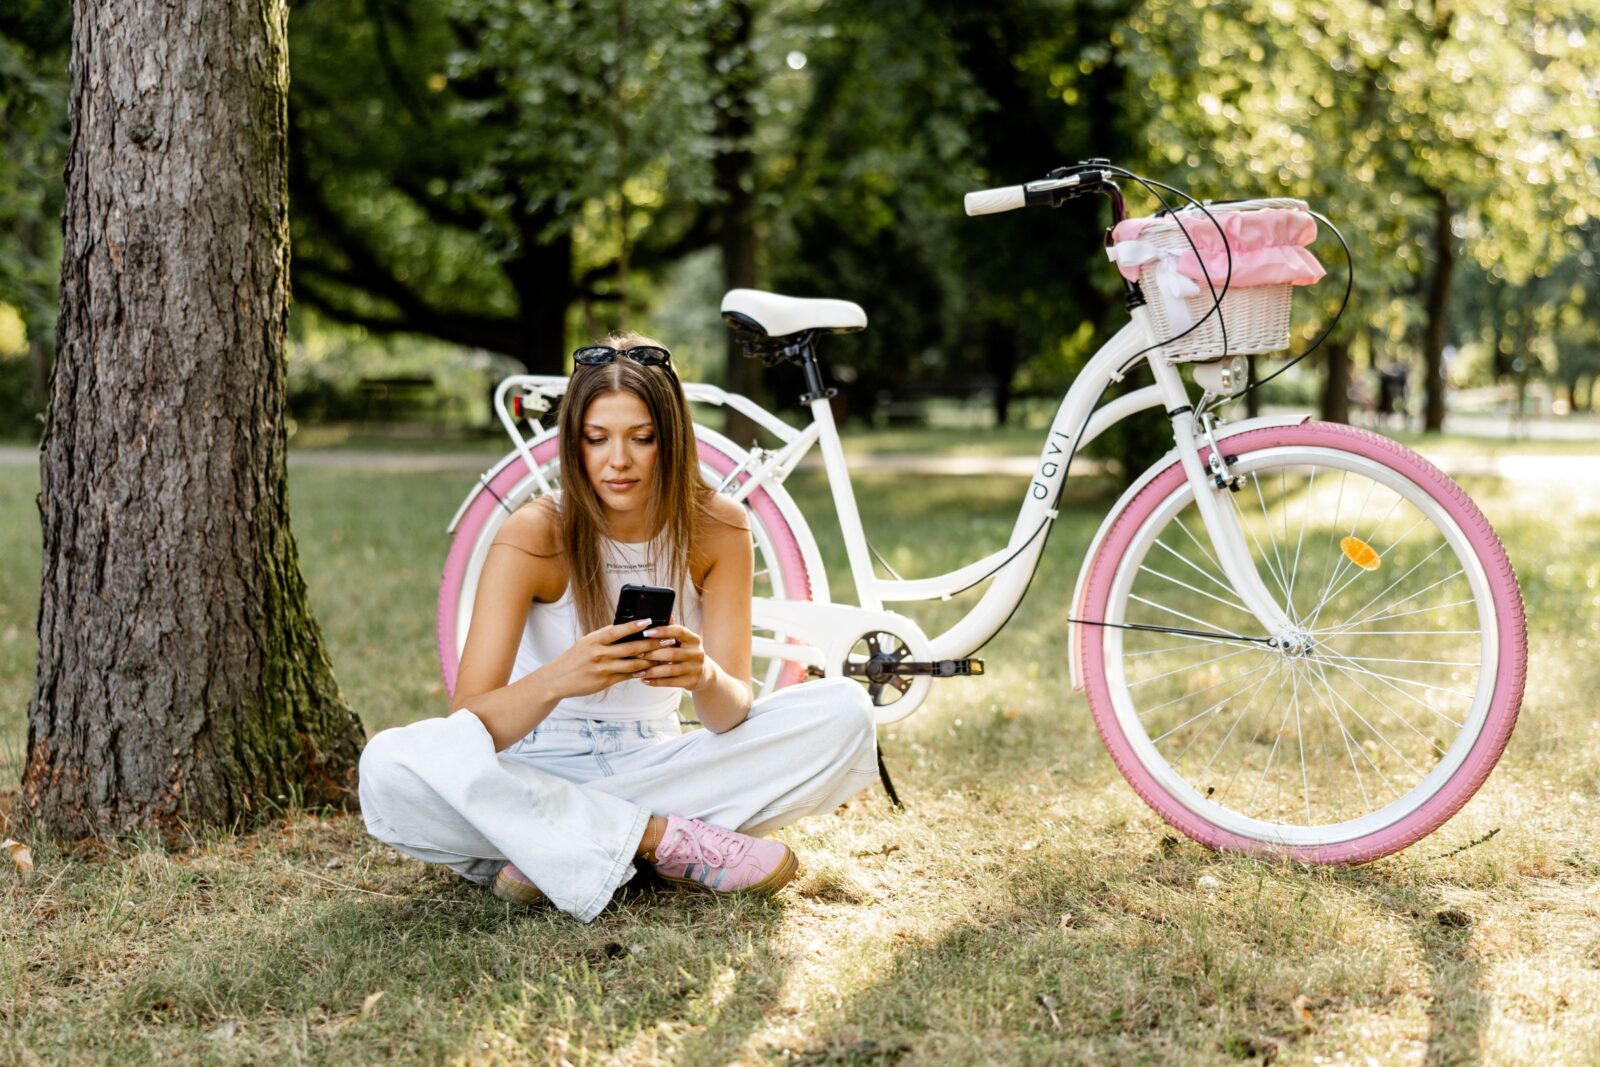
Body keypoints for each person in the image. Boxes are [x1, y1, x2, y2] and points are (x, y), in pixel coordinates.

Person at [357, 333, 879, 922]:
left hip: (655, 759)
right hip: (535, 764)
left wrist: (703, 675)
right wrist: (559, 679)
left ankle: (555, 844)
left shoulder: (719, 527)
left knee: (844, 712)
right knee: (388, 768)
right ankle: (658, 839)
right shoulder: (535, 532)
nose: (618, 460)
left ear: (672, 441)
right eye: (596, 439)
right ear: (573, 444)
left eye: (642, 439)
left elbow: (730, 715)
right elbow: (470, 724)